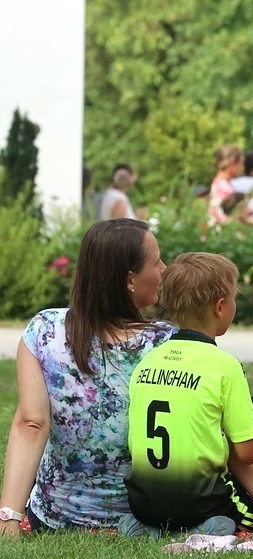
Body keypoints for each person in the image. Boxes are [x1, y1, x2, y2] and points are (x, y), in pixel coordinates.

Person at [0, 219, 174, 535]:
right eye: (156, 261)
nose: (164, 268)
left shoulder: (44, 330)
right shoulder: (168, 343)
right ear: (130, 279)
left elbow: (31, 424)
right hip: (143, 519)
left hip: (54, 518)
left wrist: (10, 517)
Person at [123, 253, 253, 537]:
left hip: (141, 502)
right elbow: (248, 452)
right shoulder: (224, 366)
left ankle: (146, 526)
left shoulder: (148, 361)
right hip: (198, 502)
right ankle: (208, 526)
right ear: (221, 307)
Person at [209, 145, 244, 224]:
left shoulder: (218, 184)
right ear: (231, 163)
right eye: (240, 163)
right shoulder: (224, 189)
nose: (242, 168)